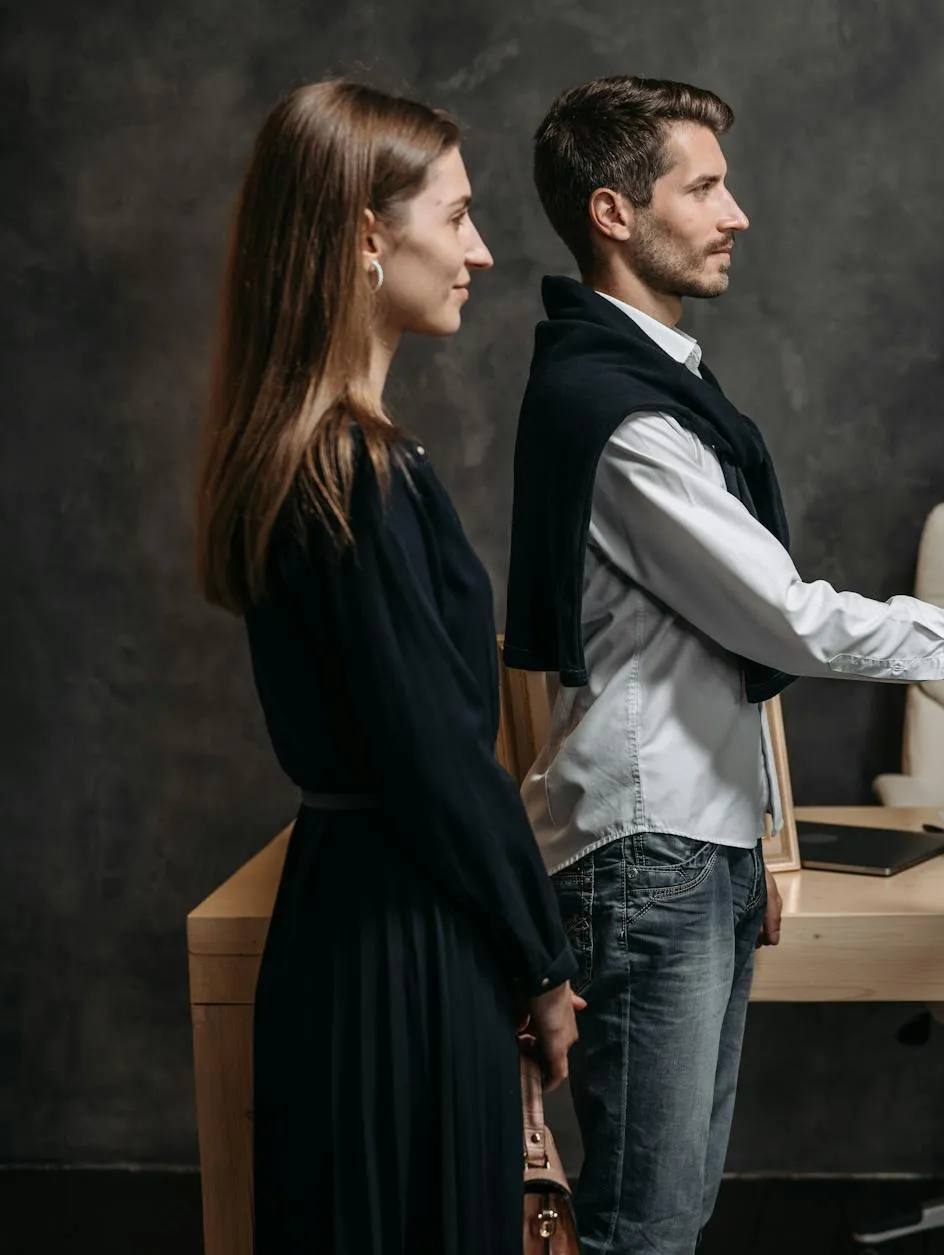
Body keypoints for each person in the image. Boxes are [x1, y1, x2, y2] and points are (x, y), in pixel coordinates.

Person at [502, 76, 944, 1254]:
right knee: (645, 1224)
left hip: (688, 842)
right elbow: (787, 623)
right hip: (649, 854)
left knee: (669, 1209)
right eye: (704, 186)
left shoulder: (648, 383)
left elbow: (700, 649)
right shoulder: (622, 417)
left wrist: (752, 836)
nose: (736, 214)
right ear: (612, 214)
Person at [193, 79, 582, 1255]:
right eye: (456, 216)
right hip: (408, 942)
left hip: (341, 915)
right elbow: (443, 765)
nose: (483, 249)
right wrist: (544, 964)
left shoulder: (290, 453)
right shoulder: (361, 469)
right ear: (369, 234)